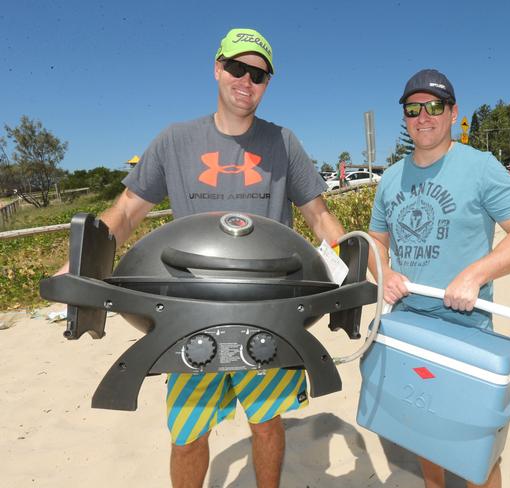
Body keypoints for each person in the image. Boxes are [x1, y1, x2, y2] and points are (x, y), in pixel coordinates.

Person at [57, 28, 344, 488]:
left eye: (258, 74)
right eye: (236, 68)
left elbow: (319, 215)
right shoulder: (175, 141)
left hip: (269, 309)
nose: (245, 80)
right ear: (217, 68)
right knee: (188, 435)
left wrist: (358, 261)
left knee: (267, 425)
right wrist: (82, 258)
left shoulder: (283, 143)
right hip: (190, 313)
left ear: (267, 83)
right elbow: (128, 209)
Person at [368, 68, 510, 488]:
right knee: (423, 433)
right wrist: (386, 272)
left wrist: (475, 273)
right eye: (413, 108)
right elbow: (375, 241)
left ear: (452, 113)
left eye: (434, 106)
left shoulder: (481, 167)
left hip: (467, 328)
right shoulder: (390, 178)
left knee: (474, 450)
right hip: (409, 325)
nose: (423, 116)